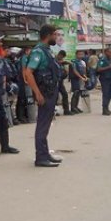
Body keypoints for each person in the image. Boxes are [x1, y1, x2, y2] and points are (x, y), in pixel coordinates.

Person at [23, 25, 62, 168]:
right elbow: (28, 72)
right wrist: (38, 93)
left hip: (50, 91)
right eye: (55, 34)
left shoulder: (47, 51)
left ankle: (45, 154)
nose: (56, 37)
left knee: (45, 125)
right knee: (42, 125)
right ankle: (40, 157)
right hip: (44, 93)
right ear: (48, 35)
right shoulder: (38, 52)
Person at [96, 47, 111, 115]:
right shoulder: (102, 60)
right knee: (106, 94)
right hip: (105, 79)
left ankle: (107, 108)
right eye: (109, 52)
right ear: (105, 52)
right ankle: (104, 110)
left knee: (110, 94)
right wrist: (109, 67)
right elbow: (98, 69)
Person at [15, 46, 31, 122]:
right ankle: (21, 116)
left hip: (22, 80)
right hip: (22, 80)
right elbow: (23, 70)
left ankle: (23, 115)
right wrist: (25, 79)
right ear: (26, 51)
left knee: (24, 98)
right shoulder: (24, 58)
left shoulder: (24, 58)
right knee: (22, 98)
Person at [69, 49, 87, 114]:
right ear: (76, 55)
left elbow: (83, 71)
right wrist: (81, 77)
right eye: (79, 54)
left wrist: (85, 77)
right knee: (75, 93)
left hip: (81, 79)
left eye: (82, 54)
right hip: (75, 79)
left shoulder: (82, 62)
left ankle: (76, 107)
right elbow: (74, 71)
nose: (81, 55)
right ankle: (73, 108)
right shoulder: (73, 61)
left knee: (79, 93)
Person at [55, 50, 73, 115]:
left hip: (60, 81)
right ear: (59, 55)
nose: (62, 58)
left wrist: (66, 72)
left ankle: (66, 110)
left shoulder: (61, 62)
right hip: (55, 81)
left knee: (65, 94)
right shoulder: (54, 59)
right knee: (55, 96)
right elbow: (56, 63)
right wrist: (64, 62)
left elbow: (63, 69)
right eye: (61, 57)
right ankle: (55, 111)